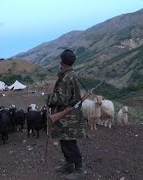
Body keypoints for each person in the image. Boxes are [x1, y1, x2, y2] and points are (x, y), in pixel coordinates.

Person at [45, 49, 86, 180]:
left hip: (68, 118)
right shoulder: (70, 75)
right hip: (67, 117)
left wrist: (49, 98)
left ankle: (80, 170)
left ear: (62, 61)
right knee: (64, 141)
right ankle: (69, 164)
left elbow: (62, 99)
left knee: (69, 143)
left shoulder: (66, 78)